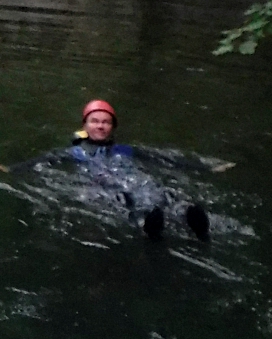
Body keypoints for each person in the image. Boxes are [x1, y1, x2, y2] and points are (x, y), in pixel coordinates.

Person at [18, 99, 216, 240]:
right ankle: (148, 227)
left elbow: (166, 160)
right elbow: (39, 161)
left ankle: (192, 220)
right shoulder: (73, 153)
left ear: (112, 127)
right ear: (85, 125)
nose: (100, 126)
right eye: (95, 121)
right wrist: (10, 169)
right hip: (104, 187)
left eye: (106, 122)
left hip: (137, 181)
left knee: (162, 194)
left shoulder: (127, 150)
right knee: (125, 200)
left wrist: (205, 168)